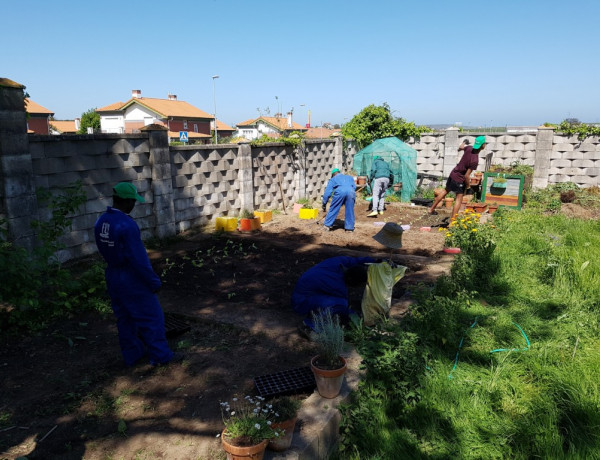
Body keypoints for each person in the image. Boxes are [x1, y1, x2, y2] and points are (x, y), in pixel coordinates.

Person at [94, 182, 180, 367]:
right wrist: (153, 281)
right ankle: (160, 356)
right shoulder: (127, 225)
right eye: (133, 201)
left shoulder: (101, 222)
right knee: (152, 317)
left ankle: (132, 355)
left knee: (124, 318)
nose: (134, 205)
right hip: (131, 278)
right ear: (126, 201)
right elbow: (138, 259)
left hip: (112, 275)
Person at [292, 256, 376, 331]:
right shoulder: (338, 286)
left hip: (306, 290)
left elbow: (356, 260)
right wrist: (359, 317)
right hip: (301, 302)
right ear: (352, 281)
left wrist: (375, 261)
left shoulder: (339, 262)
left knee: (338, 302)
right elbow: (344, 308)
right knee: (340, 304)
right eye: (359, 285)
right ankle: (311, 325)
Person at [428, 136, 487, 219]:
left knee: (445, 190)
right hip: (459, 178)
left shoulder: (469, 148)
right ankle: (452, 222)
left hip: (453, 174)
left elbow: (461, 147)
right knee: (459, 198)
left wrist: (464, 142)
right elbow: (467, 176)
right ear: (483, 145)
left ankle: (431, 209)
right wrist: (468, 187)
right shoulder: (475, 160)